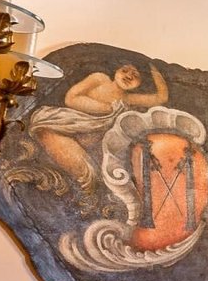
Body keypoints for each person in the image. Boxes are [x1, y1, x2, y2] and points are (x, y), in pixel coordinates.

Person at [29, 63, 169, 189]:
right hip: (60, 125)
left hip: (85, 140)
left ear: (140, 83)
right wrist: (107, 108)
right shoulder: (100, 79)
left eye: (136, 76)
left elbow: (160, 98)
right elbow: (71, 98)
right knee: (84, 172)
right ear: (116, 70)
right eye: (125, 70)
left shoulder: (127, 100)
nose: (129, 76)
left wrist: (154, 69)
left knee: (90, 175)